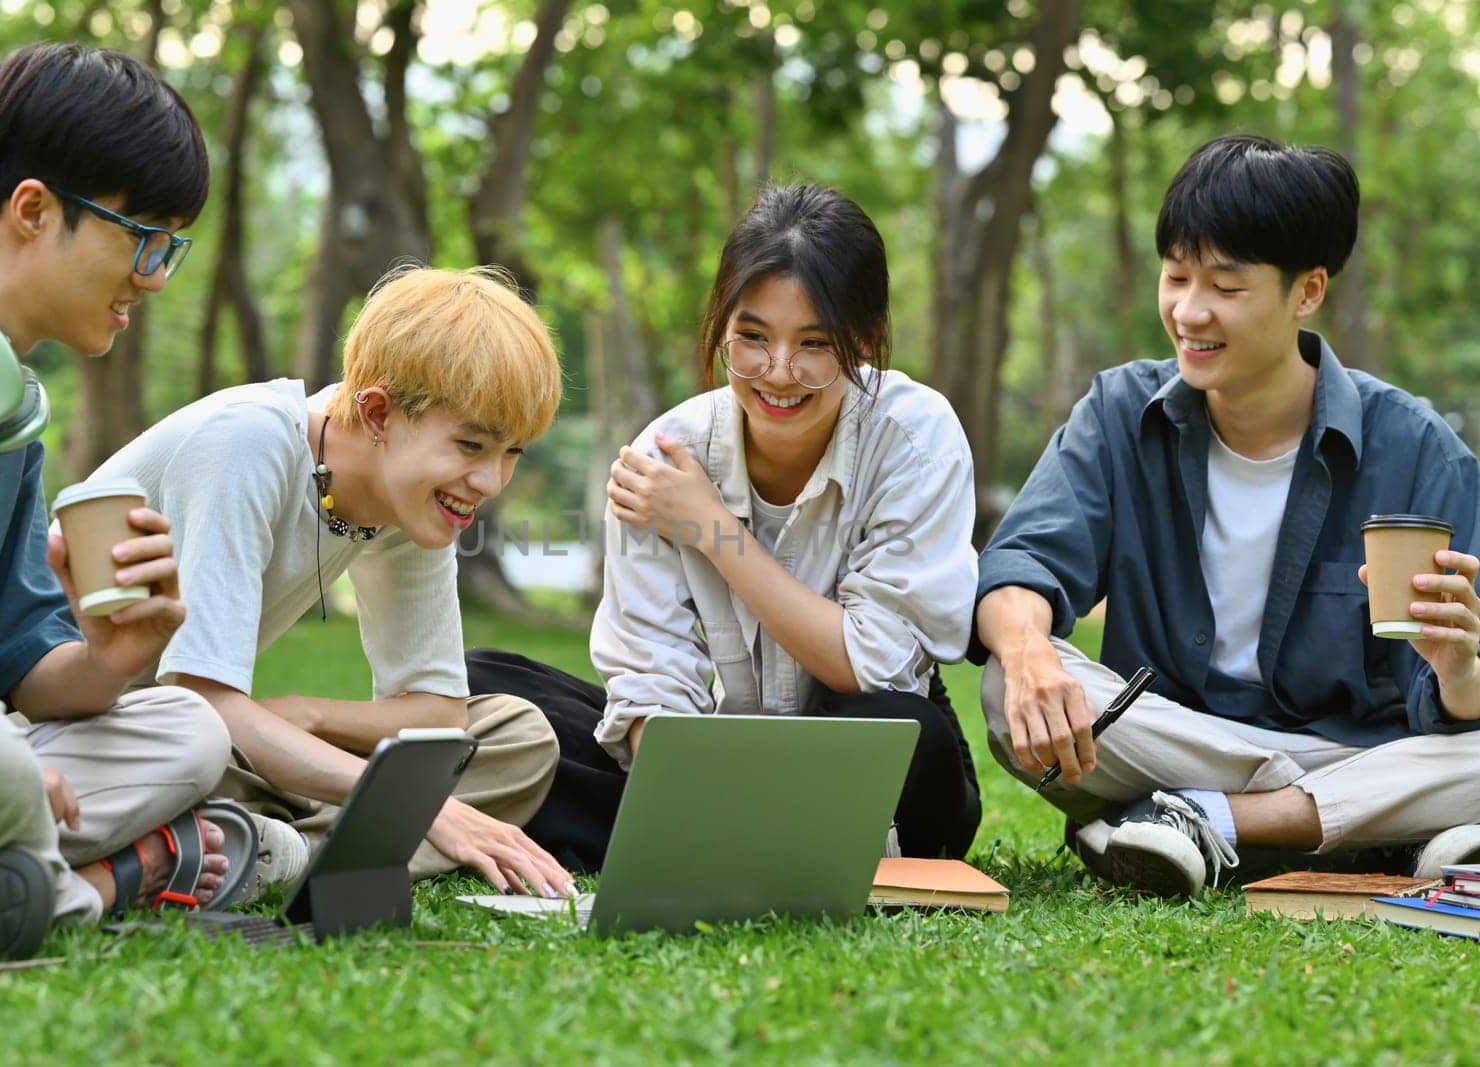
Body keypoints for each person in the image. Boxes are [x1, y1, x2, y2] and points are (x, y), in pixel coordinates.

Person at [974, 133, 1480, 897]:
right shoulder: (1118, 414)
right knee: (1006, 691)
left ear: (1307, 291)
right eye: (1175, 276)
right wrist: (1027, 650)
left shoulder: (1419, 451)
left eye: (1226, 287)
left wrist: (1460, 672)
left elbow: (1458, 708)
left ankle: (1209, 819)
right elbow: (1019, 567)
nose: (1189, 310)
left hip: (1349, 748)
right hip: (1194, 739)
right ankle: (1365, 829)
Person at [468, 184, 982, 871]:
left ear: (862, 342)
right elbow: (652, 685)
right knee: (486, 682)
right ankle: (756, 835)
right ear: (722, 325)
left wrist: (715, 529)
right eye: (752, 337)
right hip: (713, 751)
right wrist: (699, 784)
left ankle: (692, 837)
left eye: (814, 343)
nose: (778, 372)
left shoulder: (916, 439)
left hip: (872, 754)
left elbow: (873, 664)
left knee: (901, 730)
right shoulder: (663, 457)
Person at [0, 43, 235, 962]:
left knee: (189, 731)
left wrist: (114, 658)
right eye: (141, 238)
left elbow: (25, 661)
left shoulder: (13, 418)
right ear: (33, 210)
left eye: (170, 247)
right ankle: (88, 887)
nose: (153, 278)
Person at [81, 265, 575, 898]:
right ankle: (292, 843)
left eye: (512, 453)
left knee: (518, 736)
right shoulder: (248, 444)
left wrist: (307, 717)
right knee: (201, 743)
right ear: (376, 413)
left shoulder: (413, 498)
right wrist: (436, 810)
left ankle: (263, 848)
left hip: (218, 746)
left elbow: (437, 715)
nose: (490, 482)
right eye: (470, 445)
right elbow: (197, 703)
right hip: (100, 731)